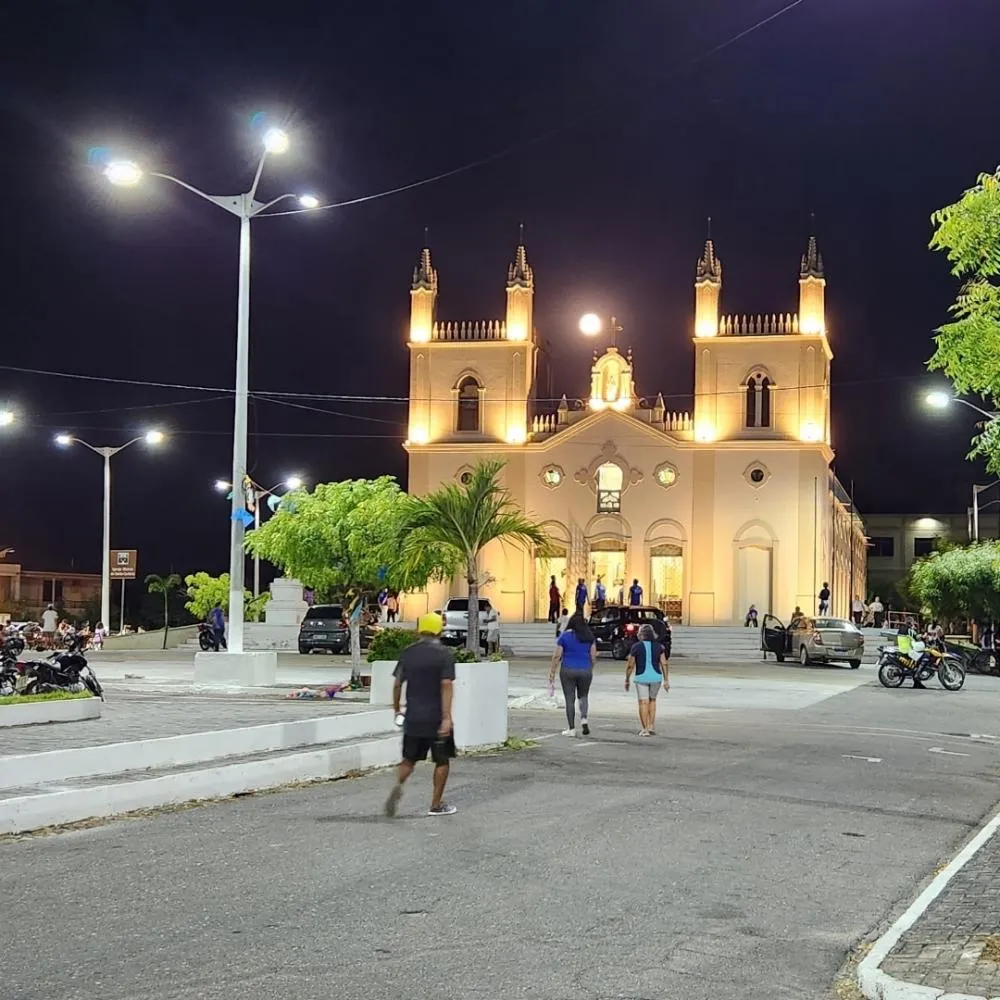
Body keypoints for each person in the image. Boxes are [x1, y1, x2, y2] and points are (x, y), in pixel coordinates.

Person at [385, 612, 457, 817]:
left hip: (413, 717)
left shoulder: (408, 653)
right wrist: (447, 717)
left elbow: (398, 683)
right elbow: (446, 685)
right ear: (439, 631)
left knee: (409, 760)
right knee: (442, 761)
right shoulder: (444, 654)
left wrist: (397, 709)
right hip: (435, 718)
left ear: (420, 630)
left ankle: (398, 784)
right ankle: (435, 804)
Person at [548, 612, 597, 736]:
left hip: (568, 670)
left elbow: (557, 655)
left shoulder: (565, 636)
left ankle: (571, 729)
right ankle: (584, 720)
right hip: (585, 670)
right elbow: (593, 656)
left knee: (570, 700)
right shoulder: (589, 636)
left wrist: (552, 672)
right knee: (583, 696)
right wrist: (589, 667)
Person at [624, 623, 671, 736]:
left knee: (643, 702)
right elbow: (664, 663)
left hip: (641, 677)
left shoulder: (636, 646)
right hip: (656, 677)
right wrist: (666, 680)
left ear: (640, 634)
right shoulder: (659, 647)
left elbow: (630, 665)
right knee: (652, 701)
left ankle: (644, 729)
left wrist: (627, 679)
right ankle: (651, 725)